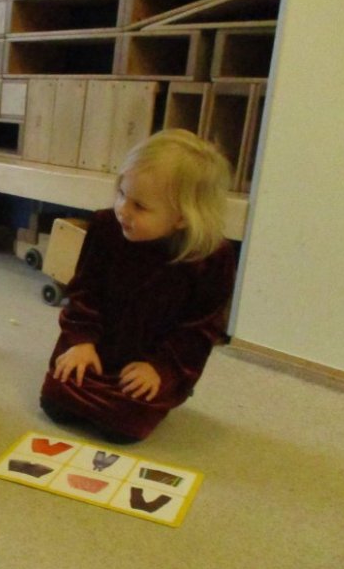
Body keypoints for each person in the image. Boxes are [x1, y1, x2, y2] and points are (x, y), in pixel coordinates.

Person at [39, 128, 236, 443]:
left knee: (122, 426)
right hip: (96, 344)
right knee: (57, 400)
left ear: (182, 218)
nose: (122, 209)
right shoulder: (106, 226)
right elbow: (84, 291)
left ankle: (142, 391)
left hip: (151, 361)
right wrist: (81, 341)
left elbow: (200, 329)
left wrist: (161, 369)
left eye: (140, 206)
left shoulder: (210, 258)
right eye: (121, 193)